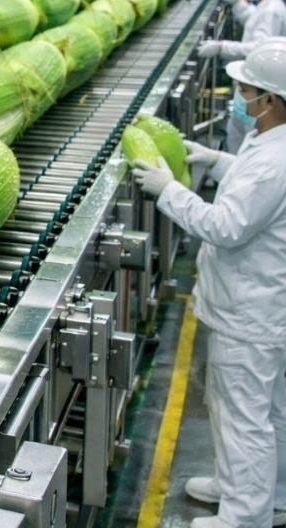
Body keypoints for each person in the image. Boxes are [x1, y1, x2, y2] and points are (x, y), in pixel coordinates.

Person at [131, 41, 286, 528]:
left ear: (272, 99)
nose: (240, 95)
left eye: (247, 90)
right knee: (268, 409)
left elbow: (226, 226)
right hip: (263, 302)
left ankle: (245, 516)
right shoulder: (271, 138)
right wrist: (213, 160)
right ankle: (266, 491)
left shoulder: (273, 159)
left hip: (251, 309)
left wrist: (169, 191)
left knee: (242, 413)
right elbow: (251, 186)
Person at [198, 0, 286, 151]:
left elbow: (259, 46)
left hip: (259, 89)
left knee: (250, 139)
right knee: (237, 133)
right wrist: (238, 3)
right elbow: (254, 21)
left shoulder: (272, 10)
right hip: (253, 87)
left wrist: (221, 47)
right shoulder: (269, 6)